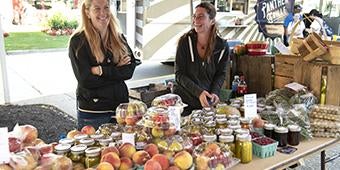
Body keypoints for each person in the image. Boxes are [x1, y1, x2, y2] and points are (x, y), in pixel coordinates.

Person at [68, 0, 139, 130]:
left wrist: (101, 71)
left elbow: (129, 71)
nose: (103, 13)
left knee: (121, 149)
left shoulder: (119, 38)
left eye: (106, 7)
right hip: (94, 113)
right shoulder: (78, 42)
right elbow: (86, 80)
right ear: (87, 12)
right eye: (97, 8)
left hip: (120, 110)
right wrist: (117, 70)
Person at [173, 2, 229, 116]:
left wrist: (215, 93)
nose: (196, 20)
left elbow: (220, 74)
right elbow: (179, 74)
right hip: (184, 103)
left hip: (206, 105)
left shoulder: (222, 47)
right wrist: (199, 93)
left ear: (212, 21)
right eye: (195, 16)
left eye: (201, 16)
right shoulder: (184, 42)